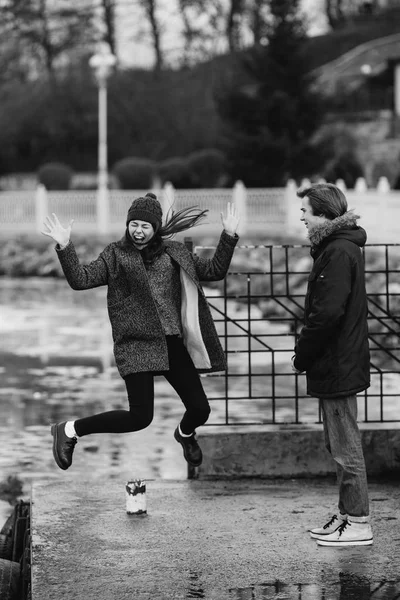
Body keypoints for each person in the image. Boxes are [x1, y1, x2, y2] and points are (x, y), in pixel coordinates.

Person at [41, 193, 239, 471]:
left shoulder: (175, 252)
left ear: (155, 228)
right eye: (133, 224)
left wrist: (229, 235)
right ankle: (70, 430)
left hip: (172, 342)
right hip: (136, 344)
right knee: (140, 418)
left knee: (200, 409)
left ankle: (184, 434)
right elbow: (81, 279)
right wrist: (64, 245)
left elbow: (216, 270)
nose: (138, 231)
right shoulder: (116, 254)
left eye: (145, 226)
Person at [291, 183, 372, 547]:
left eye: (306, 211)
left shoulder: (337, 251)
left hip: (337, 362)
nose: (302, 218)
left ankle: (358, 521)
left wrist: (301, 355)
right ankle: (346, 516)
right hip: (338, 361)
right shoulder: (338, 247)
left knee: (345, 446)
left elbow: (326, 315)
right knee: (338, 443)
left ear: (323, 213)